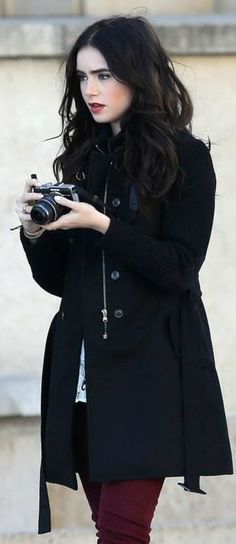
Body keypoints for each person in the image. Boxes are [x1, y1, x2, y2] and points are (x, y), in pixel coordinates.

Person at [15, 15, 233, 543]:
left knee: (122, 529)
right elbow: (62, 283)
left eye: (106, 75)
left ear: (139, 74)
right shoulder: (84, 158)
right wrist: (34, 232)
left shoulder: (185, 156)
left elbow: (180, 267)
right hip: (86, 372)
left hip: (149, 371)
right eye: (84, 77)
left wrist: (103, 224)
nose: (91, 89)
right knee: (109, 528)